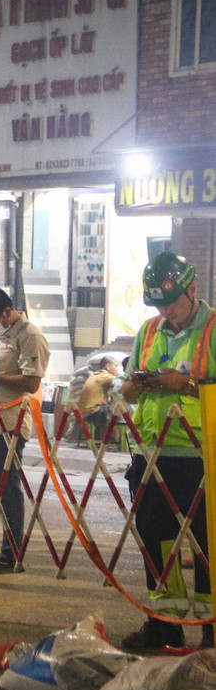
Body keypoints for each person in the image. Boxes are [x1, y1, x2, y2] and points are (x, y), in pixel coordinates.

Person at [117, 251, 213, 651]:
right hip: (151, 453)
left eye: (173, 303)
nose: (167, 311)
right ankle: (163, 625)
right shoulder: (149, 331)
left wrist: (186, 385)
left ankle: (213, 630)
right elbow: (126, 388)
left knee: (209, 544)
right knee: (155, 538)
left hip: (202, 456)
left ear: (194, 289)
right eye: (160, 304)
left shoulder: (212, 330)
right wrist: (137, 384)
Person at [0, 285, 50, 575]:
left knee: (6, 488)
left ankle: (11, 553)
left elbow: (32, 382)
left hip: (11, 422)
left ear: (7, 312)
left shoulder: (29, 335)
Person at [79, 354, 120, 440]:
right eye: (115, 366)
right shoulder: (105, 377)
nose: (117, 369)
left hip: (85, 412)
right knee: (122, 408)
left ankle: (108, 438)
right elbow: (120, 384)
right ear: (108, 366)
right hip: (94, 412)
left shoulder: (94, 375)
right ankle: (120, 439)